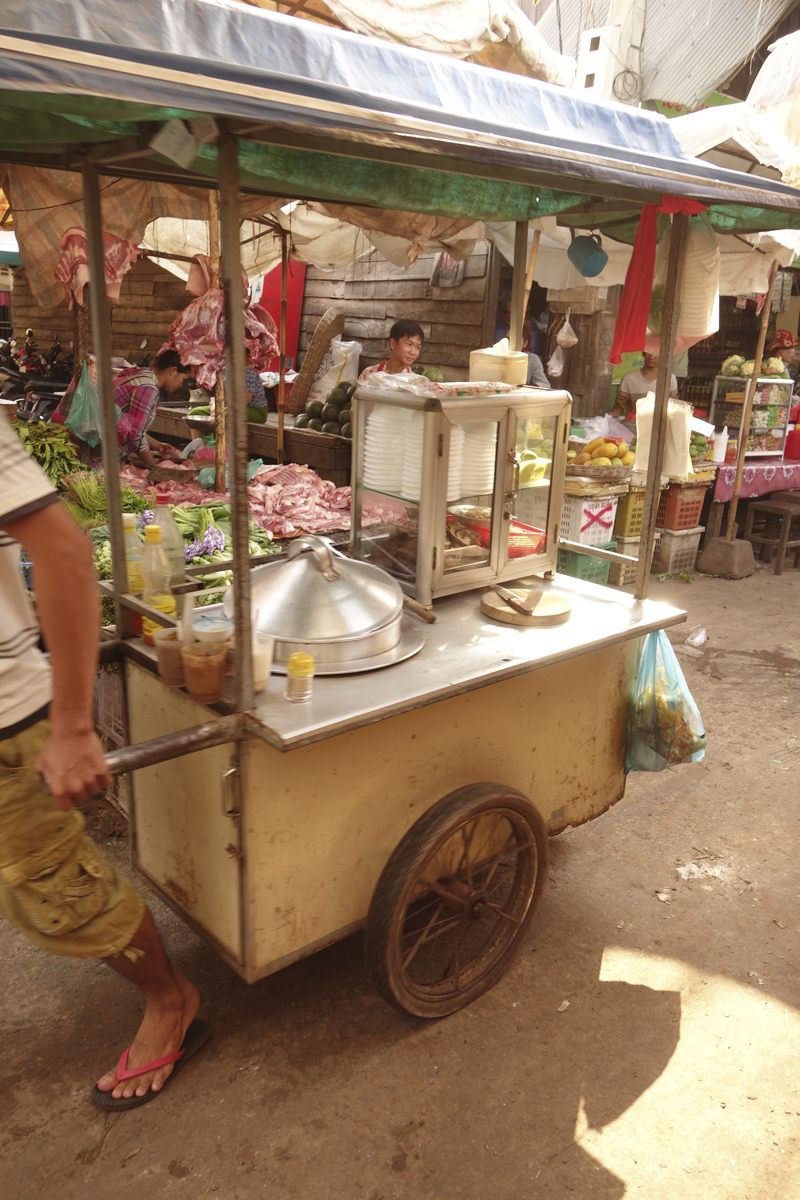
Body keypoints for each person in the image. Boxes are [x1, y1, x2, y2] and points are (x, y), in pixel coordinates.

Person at [0, 415, 209, 1109]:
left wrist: (71, 724)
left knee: (64, 895)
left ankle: (170, 999)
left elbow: (63, 555)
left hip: (9, 717)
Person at [115, 349, 194, 466]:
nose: (181, 384)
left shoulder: (143, 375)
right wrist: (156, 469)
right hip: (104, 450)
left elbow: (132, 428)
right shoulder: (148, 387)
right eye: (184, 379)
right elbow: (136, 438)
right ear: (173, 371)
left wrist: (157, 445)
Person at [611, 351, 678, 421]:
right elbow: (619, 408)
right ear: (644, 354)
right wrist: (604, 418)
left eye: (656, 354)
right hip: (634, 428)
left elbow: (674, 407)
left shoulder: (669, 379)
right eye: (649, 352)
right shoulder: (629, 379)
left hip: (659, 428)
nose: (651, 357)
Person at [359, 319, 424, 380]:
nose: (413, 352)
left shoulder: (414, 384)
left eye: (417, 347)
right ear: (393, 344)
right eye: (409, 344)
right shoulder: (368, 374)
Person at [522, 324, 549, 388]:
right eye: (507, 339)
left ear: (525, 343)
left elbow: (544, 384)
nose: (510, 342)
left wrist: (531, 388)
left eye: (516, 339)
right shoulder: (498, 356)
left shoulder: (532, 359)